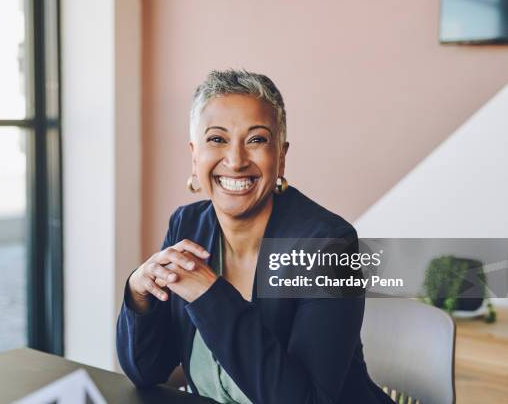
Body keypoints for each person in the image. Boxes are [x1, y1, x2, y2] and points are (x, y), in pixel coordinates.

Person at [116, 69, 393, 403]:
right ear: (194, 155)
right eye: (217, 139)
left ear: (281, 157)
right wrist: (138, 294)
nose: (235, 160)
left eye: (257, 139)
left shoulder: (330, 244)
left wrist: (211, 296)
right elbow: (146, 372)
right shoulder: (187, 224)